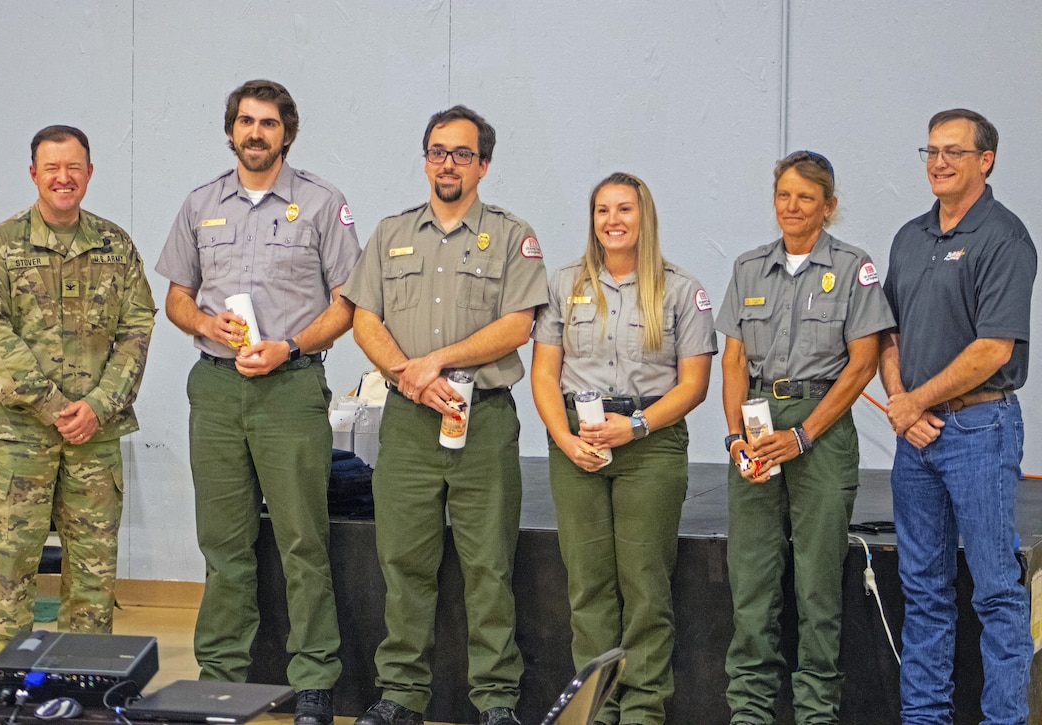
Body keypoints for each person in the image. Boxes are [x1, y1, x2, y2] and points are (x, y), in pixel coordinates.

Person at [155, 79, 361, 725]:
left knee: (304, 538)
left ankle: (315, 681)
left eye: (268, 123)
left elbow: (348, 306)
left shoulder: (322, 203)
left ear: (287, 134)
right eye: (245, 121)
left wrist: (290, 347)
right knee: (223, 543)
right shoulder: (199, 204)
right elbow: (177, 296)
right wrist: (202, 324)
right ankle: (220, 677)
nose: (255, 132)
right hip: (215, 390)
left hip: (289, 386)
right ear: (230, 130)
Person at [341, 105, 547, 725]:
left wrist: (435, 361)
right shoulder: (390, 232)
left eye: (461, 153)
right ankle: (401, 695)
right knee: (403, 561)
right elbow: (363, 318)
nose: (447, 163)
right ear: (426, 158)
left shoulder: (513, 236)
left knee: (489, 563)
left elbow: (518, 324)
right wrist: (409, 376)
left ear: (483, 164)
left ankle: (496, 702)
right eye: (437, 151)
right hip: (407, 420)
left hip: (480, 418)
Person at [0, 125, 156, 657]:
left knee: (93, 581)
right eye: (52, 169)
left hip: (94, 439)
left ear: (89, 174)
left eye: (74, 168)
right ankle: (12, 694)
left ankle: (85, 691)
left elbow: (137, 331)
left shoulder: (117, 247)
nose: (64, 178)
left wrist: (97, 407)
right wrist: (53, 406)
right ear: (34, 175)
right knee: (11, 577)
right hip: (18, 440)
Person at [716, 151, 895, 724]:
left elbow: (863, 363)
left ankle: (817, 712)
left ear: (829, 206)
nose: (792, 207)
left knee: (817, 584)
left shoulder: (851, 267)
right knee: (752, 578)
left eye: (806, 198)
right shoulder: (748, 268)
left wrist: (805, 436)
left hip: (820, 424)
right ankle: (750, 710)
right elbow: (734, 362)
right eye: (784, 195)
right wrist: (735, 437)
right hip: (758, 425)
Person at [530, 172, 715, 724]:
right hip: (577, 443)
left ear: (644, 218)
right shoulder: (563, 284)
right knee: (587, 586)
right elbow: (543, 374)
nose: (612, 220)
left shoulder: (681, 289)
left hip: (649, 445)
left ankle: (642, 712)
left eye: (624, 210)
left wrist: (632, 428)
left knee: (645, 586)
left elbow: (694, 385)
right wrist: (564, 440)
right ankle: (597, 712)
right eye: (602, 210)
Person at [879, 109, 1036, 724]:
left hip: (979, 431)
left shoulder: (1004, 237)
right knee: (923, 593)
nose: (938, 162)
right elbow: (885, 333)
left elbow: (992, 348)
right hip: (914, 437)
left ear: (985, 161)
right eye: (930, 151)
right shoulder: (909, 236)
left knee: (997, 592)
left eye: (952, 151)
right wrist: (902, 406)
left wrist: (916, 402)